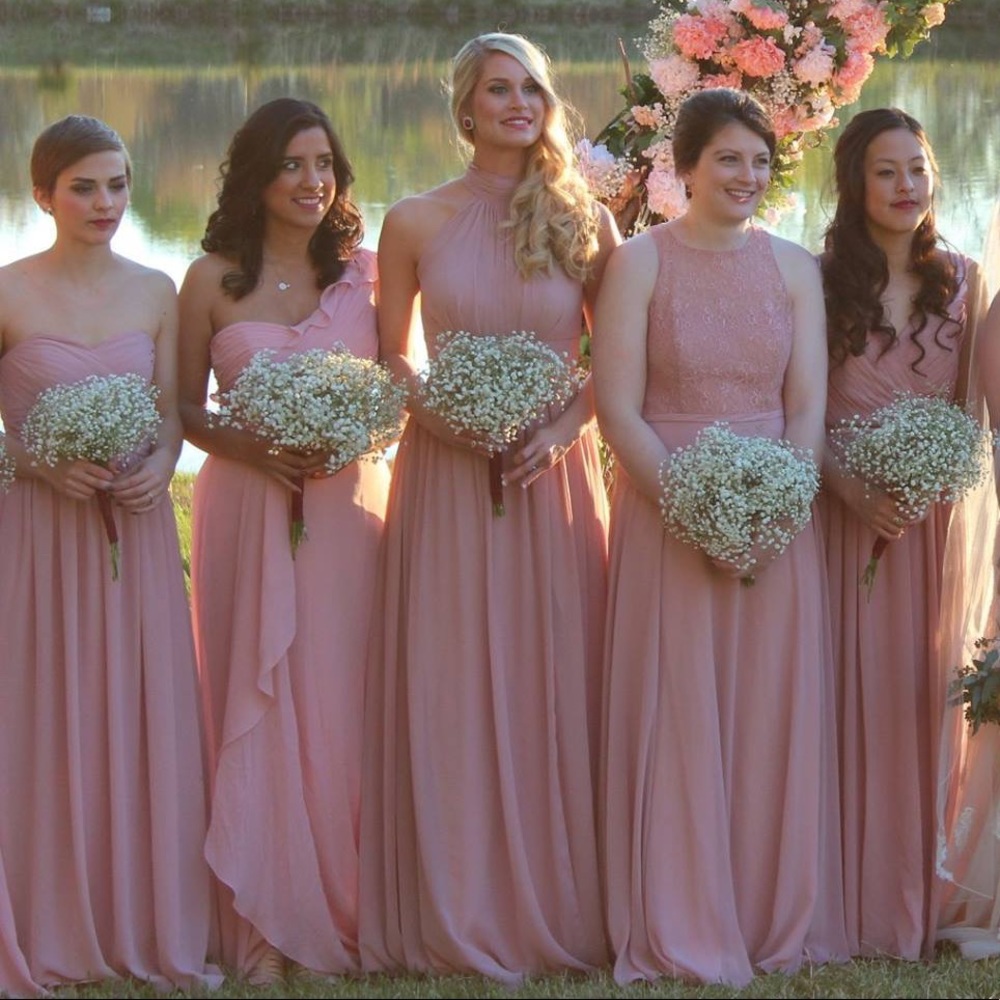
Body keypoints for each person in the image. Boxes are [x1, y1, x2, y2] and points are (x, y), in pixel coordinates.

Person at [357, 31, 619, 983]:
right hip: (447, 475)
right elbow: (393, 356)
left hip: (553, 476)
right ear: (464, 107)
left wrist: (562, 432)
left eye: (533, 89)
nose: (519, 104)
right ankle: (456, 898)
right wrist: (446, 416)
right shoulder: (416, 220)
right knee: (453, 675)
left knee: (556, 675)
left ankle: (561, 898)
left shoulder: (584, 215)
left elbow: (612, 366)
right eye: (499, 90)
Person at [592, 87, 848, 987]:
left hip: (779, 513)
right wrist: (695, 508)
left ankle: (766, 905)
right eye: (728, 159)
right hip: (669, 508)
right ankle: (679, 908)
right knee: (679, 711)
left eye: (760, 161)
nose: (746, 176)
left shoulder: (792, 269)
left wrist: (781, 501)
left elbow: (807, 404)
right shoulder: (637, 263)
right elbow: (614, 408)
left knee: (768, 708)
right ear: (686, 168)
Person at [0, 115, 219, 995]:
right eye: (85, 186)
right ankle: (46, 912)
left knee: (133, 706)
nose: (106, 203)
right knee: (42, 707)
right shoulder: (9, 292)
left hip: (134, 531)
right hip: (37, 533)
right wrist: (34, 462)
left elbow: (171, 413)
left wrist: (163, 466)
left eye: (119, 184)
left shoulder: (155, 288)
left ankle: (139, 916)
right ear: (43, 193)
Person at [176, 97, 389, 985]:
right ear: (256, 176)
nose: (313, 182)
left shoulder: (369, 275)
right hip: (245, 505)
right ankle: (260, 926)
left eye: (324, 164)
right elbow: (183, 409)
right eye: (294, 164)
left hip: (348, 514)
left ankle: (345, 907)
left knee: (343, 698)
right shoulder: (210, 279)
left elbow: (398, 388)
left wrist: (358, 431)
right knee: (250, 698)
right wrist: (254, 447)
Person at [818, 107, 991, 960]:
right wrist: (851, 489)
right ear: (855, 182)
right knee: (834, 697)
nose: (906, 187)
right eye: (887, 171)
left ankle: (913, 894)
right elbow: (794, 410)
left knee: (916, 698)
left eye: (917, 168)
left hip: (926, 529)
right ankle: (837, 895)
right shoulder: (816, 281)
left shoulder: (963, 279)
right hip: (837, 520)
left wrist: (933, 480)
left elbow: (975, 411)